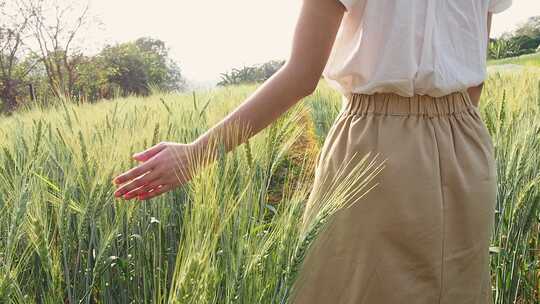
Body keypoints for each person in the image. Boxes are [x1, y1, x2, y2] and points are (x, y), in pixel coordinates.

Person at [112, 0, 512, 302]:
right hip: (467, 143)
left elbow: (301, 77)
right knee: (459, 286)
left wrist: (197, 152)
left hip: (375, 150)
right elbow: (475, 70)